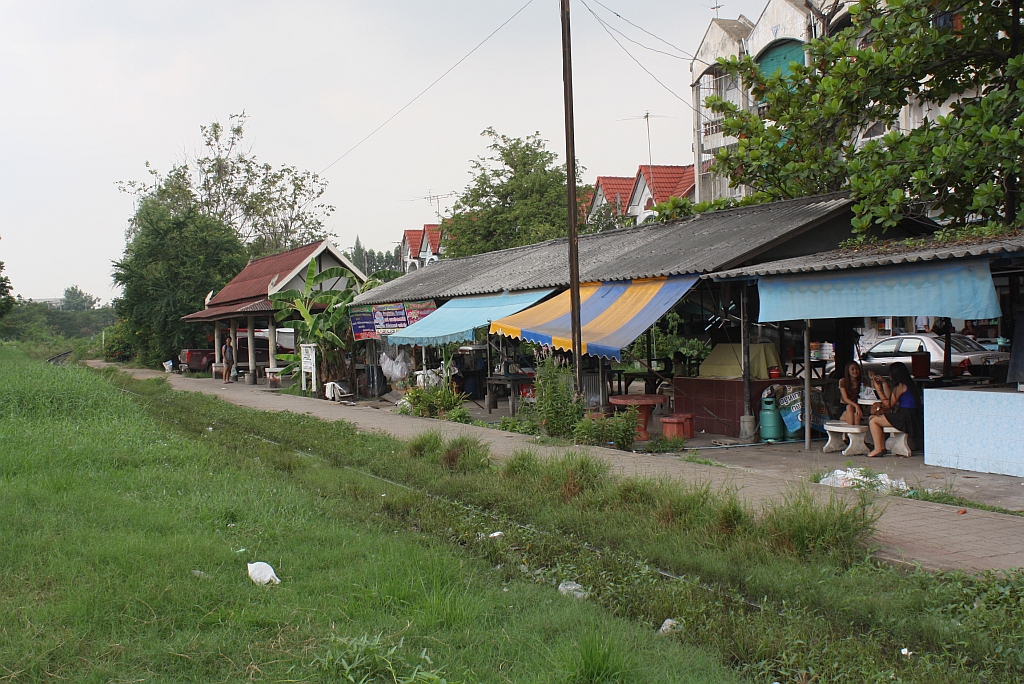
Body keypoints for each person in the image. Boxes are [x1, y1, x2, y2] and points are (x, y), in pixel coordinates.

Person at [867, 362, 922, 457]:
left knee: (874, 421)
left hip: (905, 416)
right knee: (873, 418)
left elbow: (889, 405)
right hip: (909, 415)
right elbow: (891, 398)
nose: (889, 375)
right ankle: (881, 447)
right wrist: (884, 382)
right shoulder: (907, 384)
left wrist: (878, 389)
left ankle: (878, 448)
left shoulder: (900, 387)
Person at [838, 361, 864, 426]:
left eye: (857, 369)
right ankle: (853, 434)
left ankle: (850, 435)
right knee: (850, 407)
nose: (855, 371)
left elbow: (869, 392)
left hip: (856, 408)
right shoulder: (843, 381)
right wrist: (856, 405)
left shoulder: (862, 381)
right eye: (852, 369)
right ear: (848, 371)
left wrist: (872, 380)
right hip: (844, 407)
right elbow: (845, 398)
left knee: (856, 416)